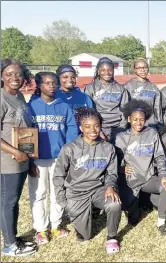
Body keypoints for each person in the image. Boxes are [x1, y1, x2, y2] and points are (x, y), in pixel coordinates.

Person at [52, 107, 122, 254]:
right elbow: (58, 175)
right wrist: (63, 201)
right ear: (81, 128)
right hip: (76, 193)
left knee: (114, 203)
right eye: (88, 126)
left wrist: (110, 186)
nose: (93, 130)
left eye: (96, 126)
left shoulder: (108, 148)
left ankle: (111, 237)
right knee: (85, 236)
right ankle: (84, 217)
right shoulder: (69, 148)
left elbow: (112, 173)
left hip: (97, 190)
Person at [28, 72, 78, 245]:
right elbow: (24, 135)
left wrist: (68, 156)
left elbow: (71, 133)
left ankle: (56, 224)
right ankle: (41, 228)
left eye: (54, 83)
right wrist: (28, 160)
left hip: (59, 158)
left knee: (58, 192)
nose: (51, 86)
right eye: (47, 83)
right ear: (39, 85)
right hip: (38, 159)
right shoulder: (31, 107)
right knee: (39, 193)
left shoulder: (64, 107)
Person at [115, 100, 166, 235]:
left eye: (141, 119)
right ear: (129, 119)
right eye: (135, 119)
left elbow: (159, 156)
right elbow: (114, 161)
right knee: (133, 219)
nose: (138, 122)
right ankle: (135, 205)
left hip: (148, 178)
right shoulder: (121, 137)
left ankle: (161, 222)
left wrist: (164, 176)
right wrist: (121, 169)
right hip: (130, 181)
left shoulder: (152, 133)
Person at [1, 59, 37, 256]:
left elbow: (24, 130)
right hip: (8, 162)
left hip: (23, 159)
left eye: (18, 74)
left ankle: (13, 237)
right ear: (1, 76)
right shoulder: (1, 98)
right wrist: (15, 152)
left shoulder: (20, 97)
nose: (14, 78)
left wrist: (28, 158)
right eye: (9, 74)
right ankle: (9, 245)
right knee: (8, 201)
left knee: (13, 201)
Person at [84, 57, 129, 142]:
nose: (107, 73)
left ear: (113, 71)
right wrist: (98, 130)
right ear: (98, 71)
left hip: (117, 127)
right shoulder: (91, 88)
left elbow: (125, 110)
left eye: (109, 70)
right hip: (99, 127)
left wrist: (122, 128)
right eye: (103, 70)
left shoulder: (120, 88)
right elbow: (88, 111)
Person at [123, 58, 163, 129]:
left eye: (145, 67)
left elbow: (157, 109)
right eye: (139, 68)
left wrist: (160, 125)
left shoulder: (153, 87)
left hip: (150, 125)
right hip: (134, 126)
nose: (143, 70)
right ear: (135, 70)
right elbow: (124, 108)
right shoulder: (128, 86)